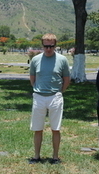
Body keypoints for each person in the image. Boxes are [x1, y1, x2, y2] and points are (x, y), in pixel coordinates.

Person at [28, 33, 70, 164]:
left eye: (51, 46)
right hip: (39, 97)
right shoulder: (36, 60)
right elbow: (32, 78)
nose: (48, 49)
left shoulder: (62, 60)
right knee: (37, 128)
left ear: (55, 46)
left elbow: (66, 79)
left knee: (55, 128)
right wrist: (37, 89)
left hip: (55, 97)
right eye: (46, 46)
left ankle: (55, 157)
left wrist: (60, 91)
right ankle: (36, 156)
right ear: (42, 45)